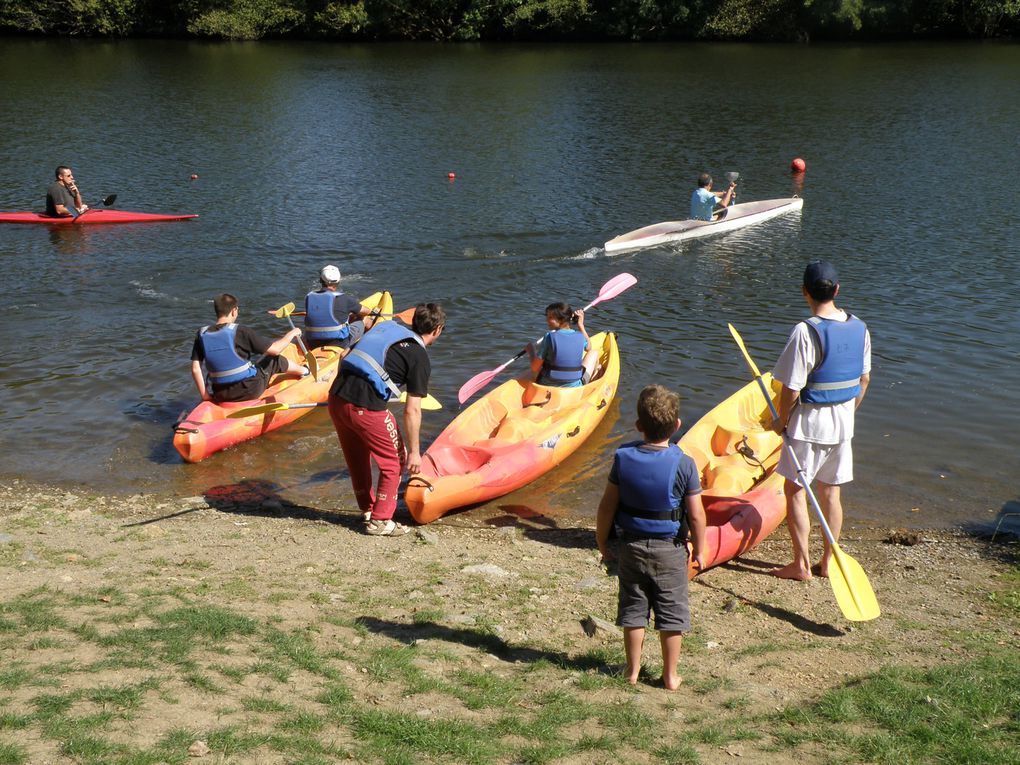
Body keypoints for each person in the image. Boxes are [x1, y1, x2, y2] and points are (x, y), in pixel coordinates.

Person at [595, 384, 707, 690]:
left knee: (633, 608)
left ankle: (632, 671)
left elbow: (607, 506)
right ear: (678, 426)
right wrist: (701, 549)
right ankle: (670, 676)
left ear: (638, 426)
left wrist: (602, 541)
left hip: (630, 544)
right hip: (670, 549)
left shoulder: (623, 457)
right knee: (672, 611)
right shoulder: (684, 463)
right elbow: (696, 514)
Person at [771, 260, 871, 580]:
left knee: (796, 491)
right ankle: (828, 561)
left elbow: (791, 387)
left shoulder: (805, 331)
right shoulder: (860, 327)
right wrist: (849, 411)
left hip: (809, 425)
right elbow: (865, 380)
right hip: (843, 423)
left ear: (805, 293)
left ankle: (801, 565)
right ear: (837, 290)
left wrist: (782, 421)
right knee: (831, 493)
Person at [328, 303, 446, 537]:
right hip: (365, 408)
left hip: (337, 400)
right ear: (438, 329)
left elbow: (344, 354)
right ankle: (381, 520)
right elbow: (412, 410)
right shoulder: (419, 357)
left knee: (357, 459)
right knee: (394, 462)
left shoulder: (387, 328)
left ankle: (369, 510)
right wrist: (414, 452)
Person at [190, 293, 307, 404]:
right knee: (273, 359)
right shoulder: (241, 331)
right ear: (234, 311)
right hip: (248, 391)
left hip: (220, 393)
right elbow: (276, 349)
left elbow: (196, 369)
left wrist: (206, 396)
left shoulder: (201, 334)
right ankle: (305, 371)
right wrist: (292, 333)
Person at [304, 265, 378, 350]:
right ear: (338, 282)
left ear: (321, 280)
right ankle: (369, 344)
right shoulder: (344, 298)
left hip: (313, 343)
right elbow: (367, 312)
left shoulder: (309, 297)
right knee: (364, 319)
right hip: (338, 343)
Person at [527, 302, 599, 387]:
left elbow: (535, 368)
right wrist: (581, 325)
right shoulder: (580, 336)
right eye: (547, 316)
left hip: (546, 384)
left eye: (550, 317)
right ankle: (596, 374)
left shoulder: (549, 336)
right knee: (594, 353)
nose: (547, 320)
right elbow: (588, 348)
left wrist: (531, 351)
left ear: (561, 319)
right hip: (574, 386)